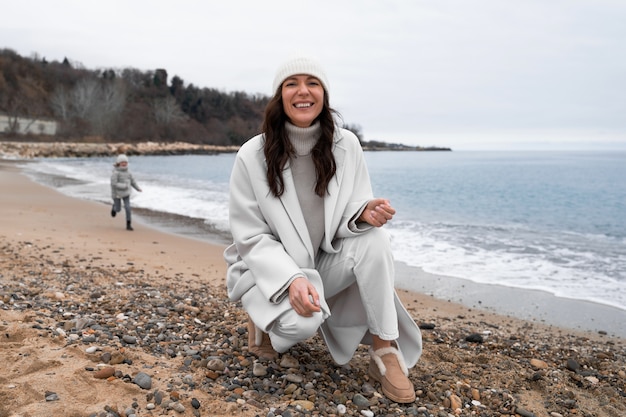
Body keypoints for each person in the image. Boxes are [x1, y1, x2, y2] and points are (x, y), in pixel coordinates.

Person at [224, 55, 422, 403]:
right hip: (266, 272)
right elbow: (251, 238)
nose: (303, 91)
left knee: (375, 241)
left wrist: (363, 215)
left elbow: (348, 209)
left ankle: (385, 351)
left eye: (312, 83)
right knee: (300, 327)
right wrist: (291, 279)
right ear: (280, 96)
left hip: (320, 263)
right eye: (292, 84)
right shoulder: (251, 155)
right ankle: (261, 318)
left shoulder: (346, 146)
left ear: (324, 94)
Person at [110, 153, 142, 230]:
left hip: (126, 193)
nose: (124, 164)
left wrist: (137, 188)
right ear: (119, 163)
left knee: (128, 208)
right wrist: (124, 186)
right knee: (118, 209)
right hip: (117, 193)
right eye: (122, 162)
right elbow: (113, 184)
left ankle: (128, 224)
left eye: (125, 162)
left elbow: (133, 181)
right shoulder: (115, 173)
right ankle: (114, 208)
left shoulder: (128, 172)